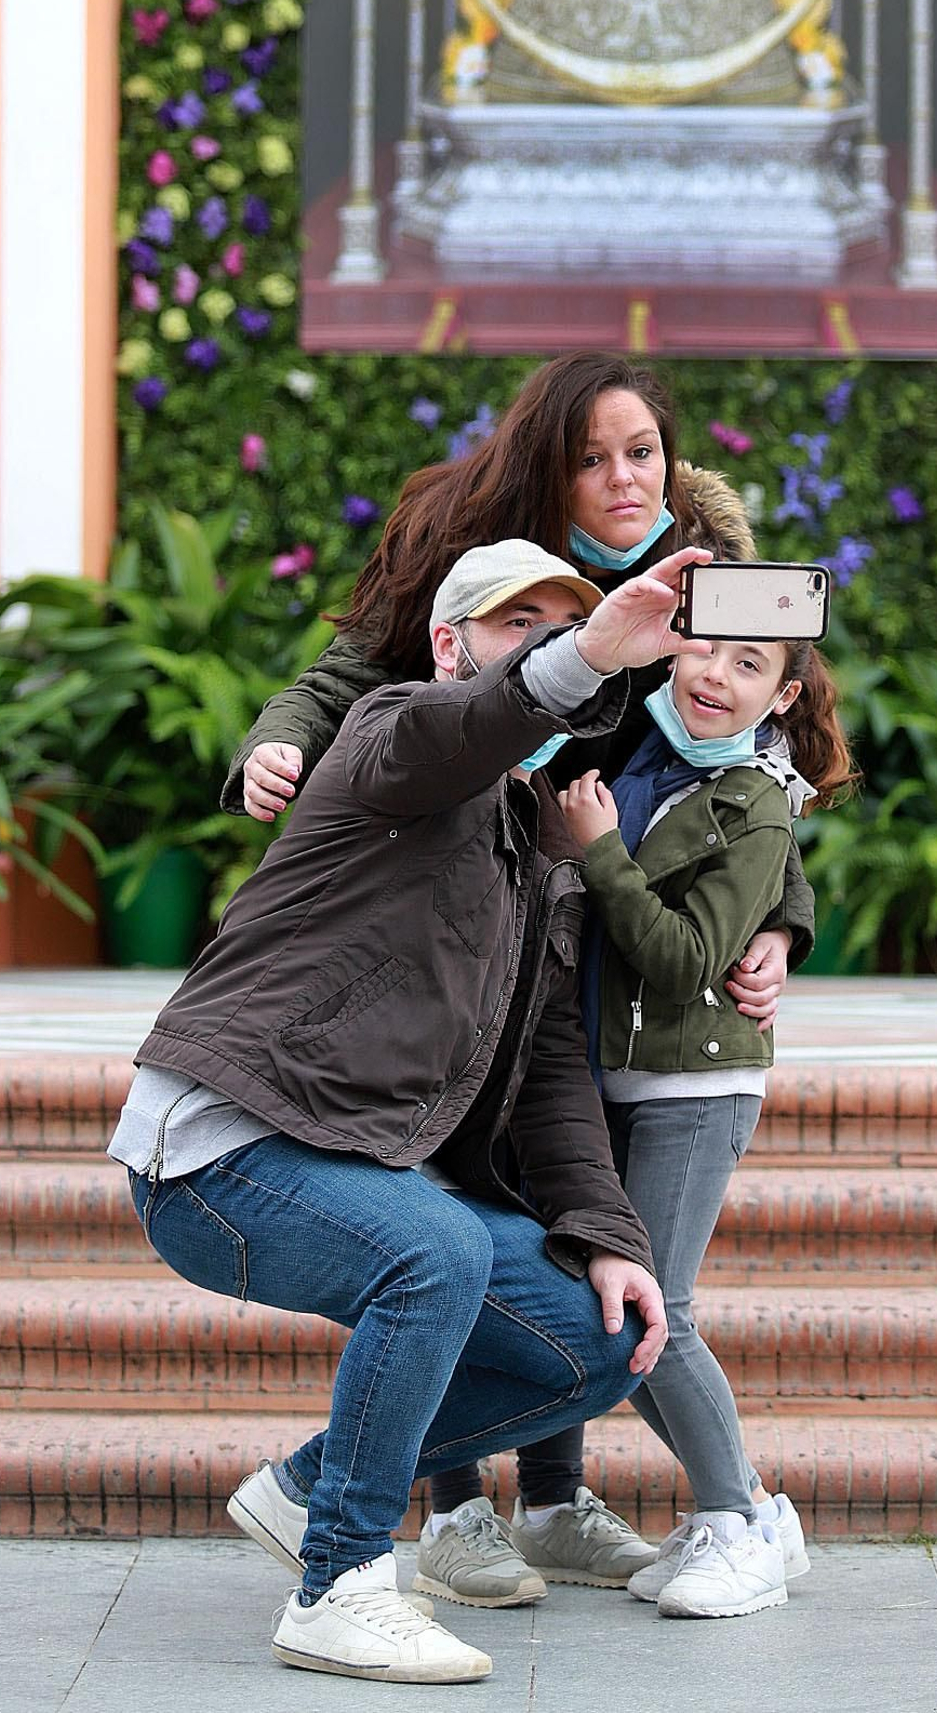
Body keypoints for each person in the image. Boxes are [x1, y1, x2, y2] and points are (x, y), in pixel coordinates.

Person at [232, 355, 815, 1606]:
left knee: (576, 1230)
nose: (621, 478)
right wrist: (280, 735)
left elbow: (767, 758)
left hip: (617, 947)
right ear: (548, 464)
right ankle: (457, 1513)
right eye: (593, 455)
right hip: (493, 924)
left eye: (643, 451)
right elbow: (355, 679)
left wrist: (782, 920)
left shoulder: (705, 560)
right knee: (465, 1210)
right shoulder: (486, 560)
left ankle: (552, 1500)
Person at [109, 539, 704, 1685]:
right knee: (429, 1247)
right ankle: (336, 1583)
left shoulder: (540, 845)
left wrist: (611, 1237)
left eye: (560, 621)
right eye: (509, 623)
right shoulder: (389, 733)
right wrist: (582, 651)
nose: (536, 642)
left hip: (348, 1165)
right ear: (448, 646)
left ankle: (304, 1488)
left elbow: (549, 1070)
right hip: (219, 1146)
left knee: (600, 1334)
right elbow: (465, 726)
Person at [556, 622, 852, 1618]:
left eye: (749, 663)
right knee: (623, 1322)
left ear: (780, 697)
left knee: (656, 1313)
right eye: (705, 649)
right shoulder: (644, 747)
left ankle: (739, 1517)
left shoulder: (755, 801)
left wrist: (599, 851)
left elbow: (684, 959)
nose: (714, 673)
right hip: (618, 1075)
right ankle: (751, 1515)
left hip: (692, 1084)